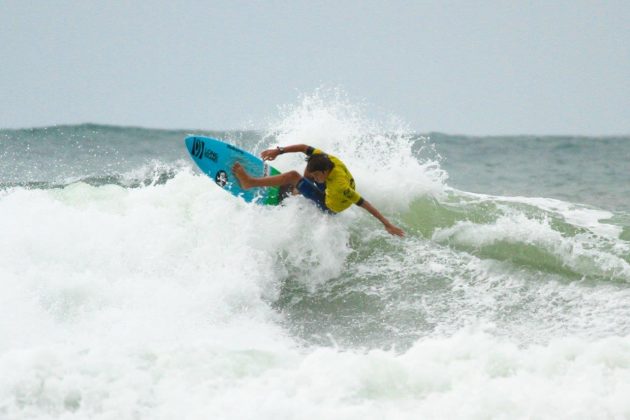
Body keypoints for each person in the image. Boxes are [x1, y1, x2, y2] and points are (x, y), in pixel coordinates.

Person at [232, 144, 405, 237]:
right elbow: (304, 147)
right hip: (328, 186)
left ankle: (250, 182)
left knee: (293, 175)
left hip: (329, 205)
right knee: (307, 167)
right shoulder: (327, 160)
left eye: (316, 176)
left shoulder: (340, 188)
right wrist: (279, 151)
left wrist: (387, 224)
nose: (313, 177)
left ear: (324, 172)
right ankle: (297, 190)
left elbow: (363, 203)